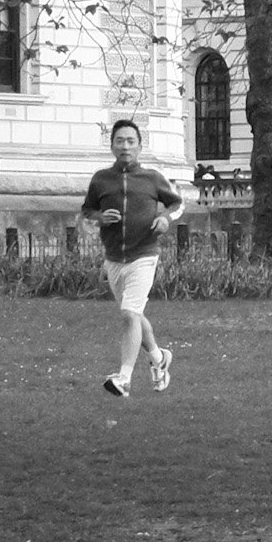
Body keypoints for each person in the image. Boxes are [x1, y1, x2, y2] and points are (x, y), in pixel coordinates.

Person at [79, 118, 185, 397]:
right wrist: (101, 217)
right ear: (112, 145)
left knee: (129, 314)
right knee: (134, 315)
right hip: (114, 258)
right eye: (119, 141)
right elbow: (87, 211)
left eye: (131, 141)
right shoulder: (101, 179)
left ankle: (123, 378)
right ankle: (160, 358)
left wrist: (164, 218)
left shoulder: (151, 178)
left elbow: (177, 203)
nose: (125, 146)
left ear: (139, 146)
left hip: (144, 254)